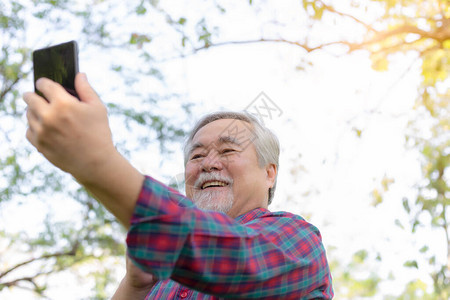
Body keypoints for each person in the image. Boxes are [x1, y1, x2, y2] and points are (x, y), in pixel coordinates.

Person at [24, 73, 333, 299]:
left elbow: (236, 260)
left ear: (269, 173)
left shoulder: (298, 241)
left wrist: (96, 161)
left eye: (227, 151)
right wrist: (134, 284)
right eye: (197, 155)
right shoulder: (159, 278)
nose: (208, 163)